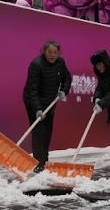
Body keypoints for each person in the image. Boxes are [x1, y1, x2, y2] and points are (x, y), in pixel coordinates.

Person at [23, 40, 71, 172]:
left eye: (55, 52)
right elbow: (32, 90)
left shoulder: (60, 62)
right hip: (34, 102)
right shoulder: (36, 65)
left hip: (50, 102)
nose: (52, 55)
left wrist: (63, 91)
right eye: (50, 52)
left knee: (47, 133)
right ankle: (39, 163)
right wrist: (37, 109)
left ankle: (45, 160)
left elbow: (67, 77)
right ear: (44, 52)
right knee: (38, 132)